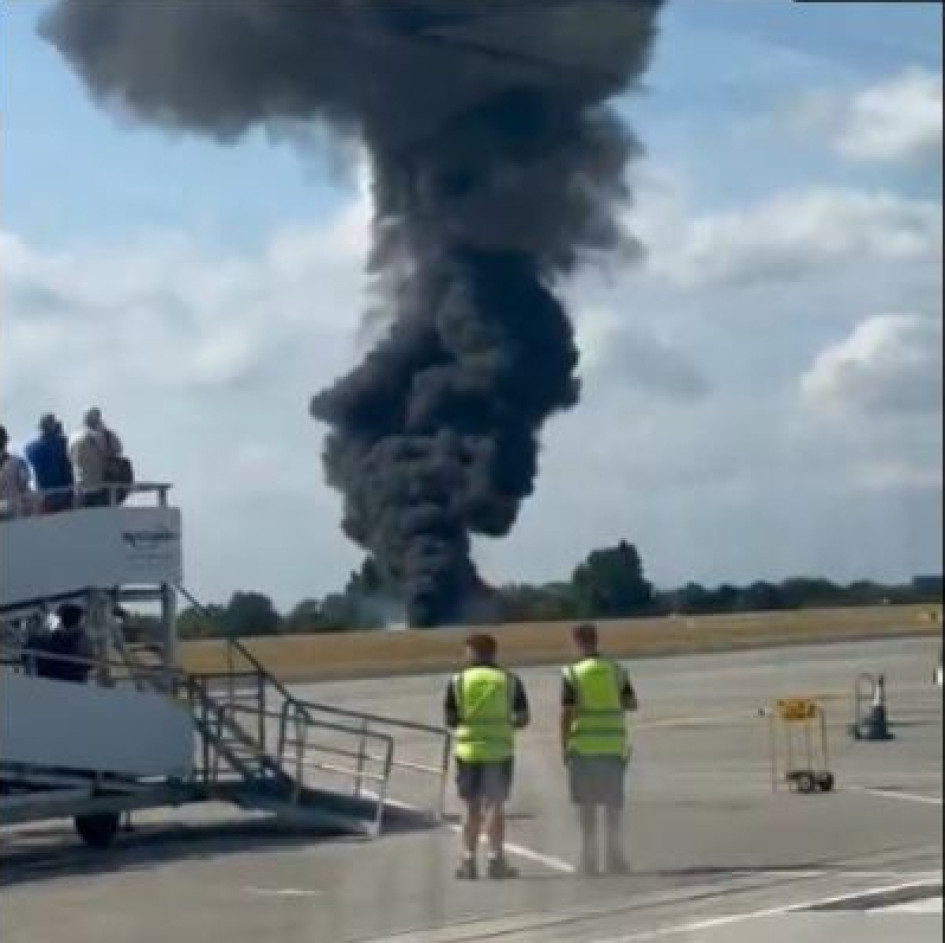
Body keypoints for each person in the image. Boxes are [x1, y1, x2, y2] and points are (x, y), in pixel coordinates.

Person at [445, 633, 530, 880]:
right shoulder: (510, 681)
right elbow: (523, 718)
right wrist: (504, 725)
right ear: (493, 652)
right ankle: (496, 859)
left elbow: (450, 719)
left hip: (469, 752)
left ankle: (468, 861)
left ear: (472, 652)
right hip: (499, 751)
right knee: (495, 806)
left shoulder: (458, 681)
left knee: (471, 808)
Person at [560, 622, 638, 876]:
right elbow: (631, 703)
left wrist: (563, 745)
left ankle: (588, 857)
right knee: (613, 804)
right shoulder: (617, 671)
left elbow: (566, 713)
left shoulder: (572, 674)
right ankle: (614, 855)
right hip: (613, 745)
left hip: (583, 746)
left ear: (578, 643)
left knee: (586, 805)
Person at [69, 408, 123, 508]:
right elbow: (118, 449)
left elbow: (71, 459)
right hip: (104, 484)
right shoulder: (107, 435)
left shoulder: (74, 437)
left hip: (82, 486)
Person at [25, 414, 75, 513]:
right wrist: (59, 434)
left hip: (45, 494)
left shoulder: (31, 448)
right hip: (65, 492)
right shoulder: (63, 443)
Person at [0, 424, 34, 519]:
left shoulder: (17, 462)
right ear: (6, 441)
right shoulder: (18, 462)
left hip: (15, 513)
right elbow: (25, 487)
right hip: (17, 513)